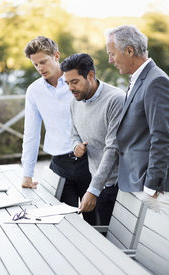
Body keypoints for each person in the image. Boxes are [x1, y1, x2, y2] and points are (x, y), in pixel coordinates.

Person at [106, 25, 169, 221]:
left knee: (163, 250)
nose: (110, 60)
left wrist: (152, 186)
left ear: (129, 50)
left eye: (112, 54)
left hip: (152, 189)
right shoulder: (140, 79)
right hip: (135, 181)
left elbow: (163, 137)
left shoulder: (156, 81)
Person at [21, 36, 96, 225]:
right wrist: (27, 173)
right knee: (65, 225)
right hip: (60, 167)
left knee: (95, 223)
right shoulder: (34, 91)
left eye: (43, 62)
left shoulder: (78, 80)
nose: (40, 68)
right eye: (35, 64)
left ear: (56, 56)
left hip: (89, 161)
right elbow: (31, 132)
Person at [60, 53, 125, 225]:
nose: (70, 88)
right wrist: (76, 146)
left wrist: (93, 190)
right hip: (96, 183)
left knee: (115, 245)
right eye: (67, 83)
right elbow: (74, 133)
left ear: (90, 75)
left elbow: (113, 149)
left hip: (118, 187)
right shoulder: (75, 101)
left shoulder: (115, 99)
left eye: (74, 82)